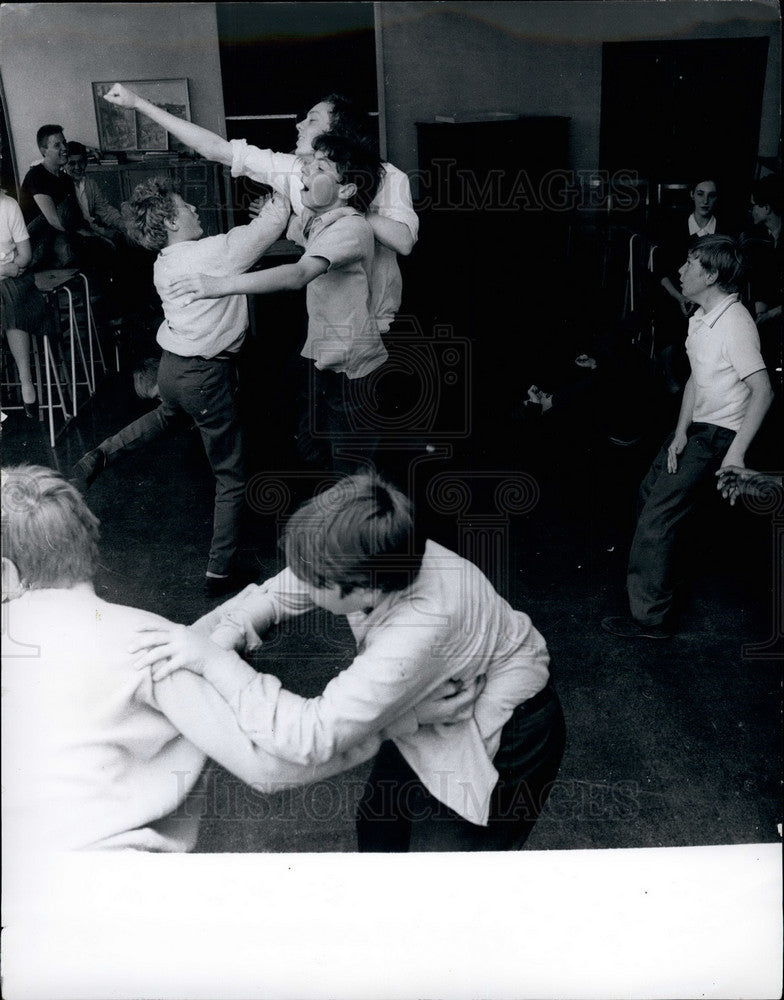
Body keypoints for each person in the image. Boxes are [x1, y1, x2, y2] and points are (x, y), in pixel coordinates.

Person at [1, 464, 469, 854]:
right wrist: (400, 721)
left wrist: (214, 637)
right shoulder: (143, 642)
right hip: (113, 875)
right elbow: (267, 766)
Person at [131, 473, 567, 852]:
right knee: (379, 826)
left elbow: (309, 736)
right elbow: (282, 594)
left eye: (316, 579)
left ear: (364, 590)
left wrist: (214, 663)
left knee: (444, 883)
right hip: (438, 705)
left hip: (502, 735)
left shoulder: (416, 632)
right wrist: (227, 635)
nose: (301, 580)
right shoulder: (378, 552)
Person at [71, 176, 291, 595]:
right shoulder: (209, 253)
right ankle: (220, 571)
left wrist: (262, 215)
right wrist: (283, 189)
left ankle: (99, 454)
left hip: (172, 371)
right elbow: (268, 227)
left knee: (167, 415)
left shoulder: (165, 261)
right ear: (170, 222)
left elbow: (245, 242)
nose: (194, 209)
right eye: (185, 205)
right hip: (204, 378)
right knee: (230, 474)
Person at [101, 83, 418, 336]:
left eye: (312, 119)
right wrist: (138, 104)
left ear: (337, 133)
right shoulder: (295, 169)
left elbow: (403, 241)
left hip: (372, 323)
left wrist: (340, 204)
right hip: (324, 316)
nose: (299, 124)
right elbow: (215, 148)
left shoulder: (389, 177)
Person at [168, 132, 387, 474]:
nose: (303, 172)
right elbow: (296, 229)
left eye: (319, 169)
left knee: (352, 469)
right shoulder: (320, 220)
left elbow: (297, 274)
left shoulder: (351, 229)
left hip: (352, 369)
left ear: (346, 191)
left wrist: (219, 286)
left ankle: (358, 516)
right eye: (307, 166)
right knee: (309, 440)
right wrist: (276, 208)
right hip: (324, 357)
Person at [602, 235, 773, 639]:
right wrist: (678, 433)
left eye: (690, 264)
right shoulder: (700, 317)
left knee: (656, 519)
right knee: (648, 494)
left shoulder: (734, 323)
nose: (680, 271)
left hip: (718, 435)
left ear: (711, 274)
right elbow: (698, 376)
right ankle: (663, 584)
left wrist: (735, 455)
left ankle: (650, 619)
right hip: (696, 429)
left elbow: (764, 389)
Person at [651, 176, 727, 394]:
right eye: (700, 194)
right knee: (665, 313)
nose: (705, 201)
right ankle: (670, 377)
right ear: (692, 195)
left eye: (711, 195)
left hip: (712, 296)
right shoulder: (674, 227)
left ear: (717, 199)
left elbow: (727, 274)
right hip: (677, 295)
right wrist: (680, 297)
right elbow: (662, 272)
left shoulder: (724, 231)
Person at [1, 187, 51, 416]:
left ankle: (25, 379)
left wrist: (12, 269)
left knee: (11, 301)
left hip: (15, 283)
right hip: (7, 274)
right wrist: (4, 270)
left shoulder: (8, 205)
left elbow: (25, 255)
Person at [19, 124, 84, 268]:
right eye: (57, 145)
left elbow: (74, 216)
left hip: (59, 236)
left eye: (64, 142)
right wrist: (84, 235)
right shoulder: (36, 175)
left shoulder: (65, 179)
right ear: (44, 151)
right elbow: (54, 220)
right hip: (38, 244)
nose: (64, 148)